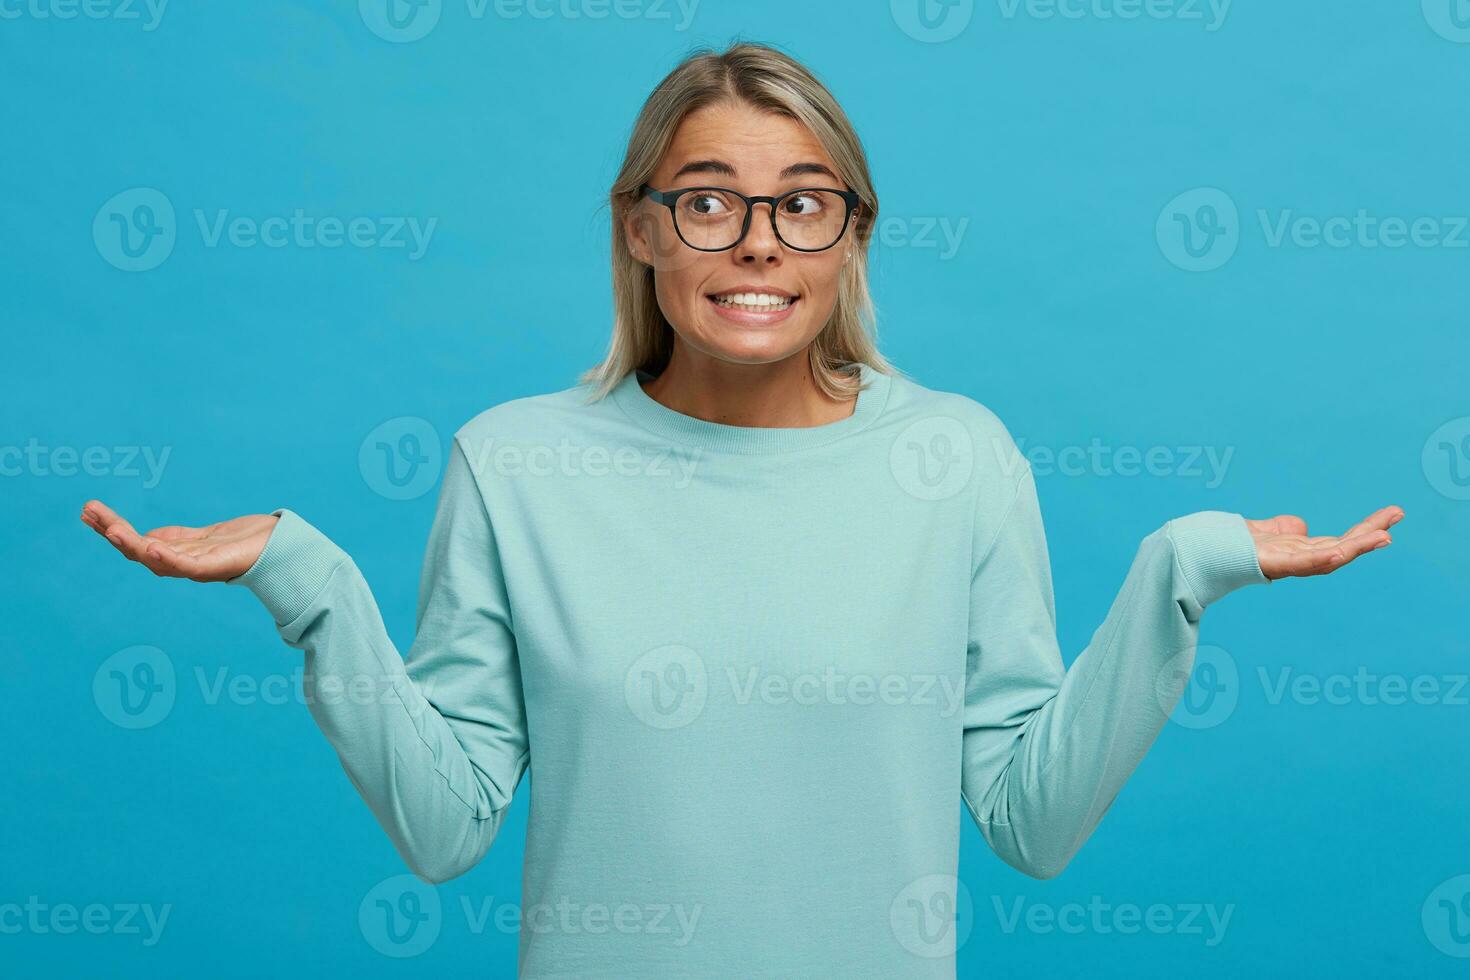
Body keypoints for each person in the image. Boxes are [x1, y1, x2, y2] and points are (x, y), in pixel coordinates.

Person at [80, 42, 1402, 979]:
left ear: (850, 236)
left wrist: (1180, 571)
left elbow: (1029, 823)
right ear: (642, 229)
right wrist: (307, 583)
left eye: (800, 204)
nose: (756, 240)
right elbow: (443, 828)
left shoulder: (955, 457)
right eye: (706, 200)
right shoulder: (515, 465)